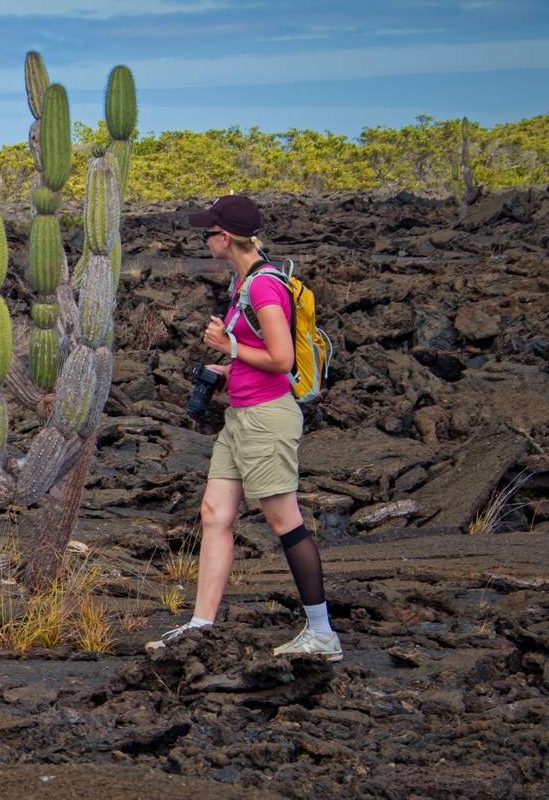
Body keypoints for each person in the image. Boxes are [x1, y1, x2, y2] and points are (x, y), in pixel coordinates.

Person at [147, 195, 340, 661]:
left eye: (207, 233)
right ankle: (200, 625)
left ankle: (322, 633)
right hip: (240, 416)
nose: (204, 239)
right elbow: (260, 358)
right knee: (214, 514)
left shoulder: (264, 288)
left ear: (227, 238)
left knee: (283, 519)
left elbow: (281, 360)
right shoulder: (243, 282)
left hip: (266, 418)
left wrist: (229, 345)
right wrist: (228, 370)